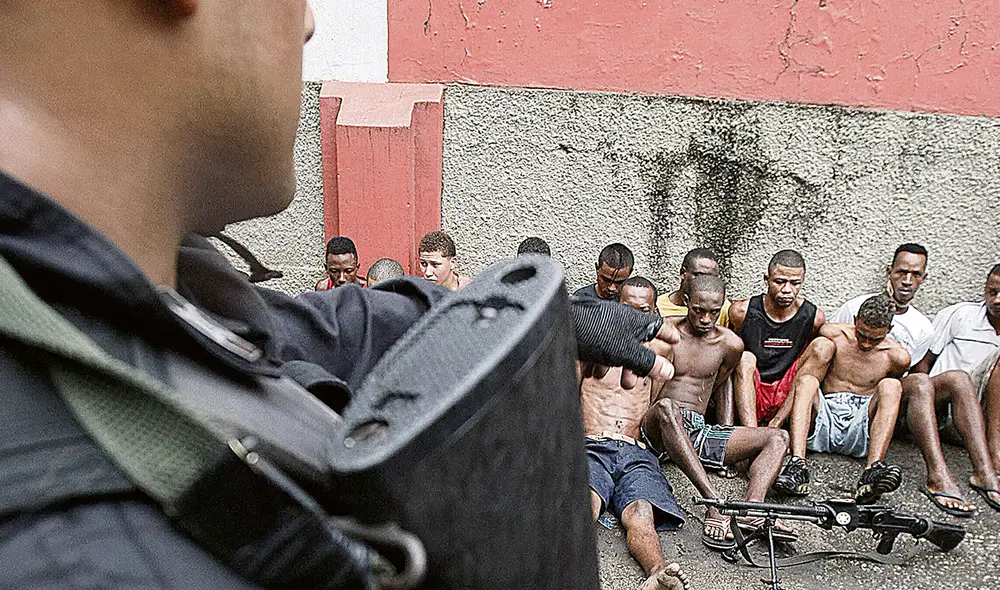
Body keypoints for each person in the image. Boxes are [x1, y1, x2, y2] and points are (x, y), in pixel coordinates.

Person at [0, 1, 682, 586]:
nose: (309, 24)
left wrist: (521, 324)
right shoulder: (90, 554)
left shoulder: (103, 285)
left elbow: (311, 333)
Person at [641, 276, 791, 551]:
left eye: (713, 311)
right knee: (668, 408)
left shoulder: (730, 344)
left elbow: (720, 383)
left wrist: (724, 427)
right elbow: (647, 393)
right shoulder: (666, 334)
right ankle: (713, 503)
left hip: (697, 429)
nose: (706, 318)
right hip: (658, 427)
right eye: (699, 310)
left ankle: (752, 509)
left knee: (777, 438)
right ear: (686, 303)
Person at [581, 278, 689, 590]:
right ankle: (556, 571)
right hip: (592, 445)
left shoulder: (659, 355)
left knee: (641, 513)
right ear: (616, 309)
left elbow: (653, 402)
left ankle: (657, 574)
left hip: (634, 450)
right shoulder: (591, 350)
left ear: (654, 314)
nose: (635, 318)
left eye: (643, 311)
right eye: (628, 310)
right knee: (586, 502)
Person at [774, 294, 909, 504]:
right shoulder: (833, 333)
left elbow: (885, 402)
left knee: (892, 386)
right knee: (808, 381)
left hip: (860, 422)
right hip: (825, 415)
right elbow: (803, 368)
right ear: (855, 321)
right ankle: (798, 466)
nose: (865, 343)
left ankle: (872, 471)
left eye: (875, 339)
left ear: (888, 331)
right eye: (861, 334)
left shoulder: (897, 357)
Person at [903, 264, 1000, 514]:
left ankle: (990, 466)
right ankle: (946, 475)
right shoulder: (960, 315)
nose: (997, 300)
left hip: (982, 417)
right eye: (992, 291)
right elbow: (923, 364)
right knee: (958, 379)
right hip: (940, 407)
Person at [729, 250, 825, 427]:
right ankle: (753, 434)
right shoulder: (741, 312)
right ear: (767, 280)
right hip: (751, 388)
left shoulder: (813, 317)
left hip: (787, 390)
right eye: (780, 282)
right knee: (744, 358)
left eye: (795, 283)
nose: (787, 290)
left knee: (824, 346)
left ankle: (775, 425)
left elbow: (806, 360)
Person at [829, 244, 933, 368]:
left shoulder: (924, 328)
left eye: (916, 274)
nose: (907, 281)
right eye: (902, 272)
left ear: (923, 278)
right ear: (889, 272)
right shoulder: (855, 307)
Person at [656, 248, 731, 326]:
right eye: (699, 275)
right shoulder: (658, 305)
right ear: (683, 273)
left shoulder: (724, 308)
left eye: (710, 277)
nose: (703, 281)